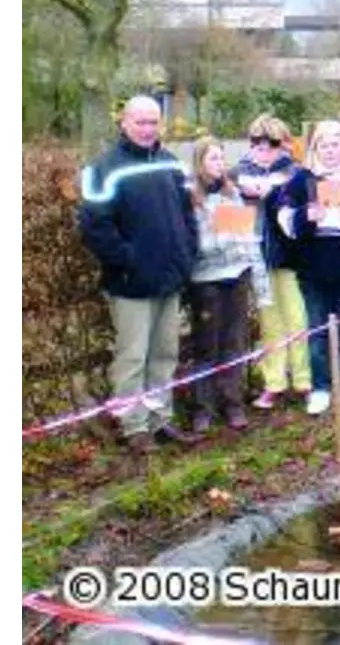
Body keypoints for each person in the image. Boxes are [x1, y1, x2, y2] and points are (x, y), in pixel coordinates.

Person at [77, 95, 199, 453]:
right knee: (132, 356)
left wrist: (185, 255)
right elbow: (95, 227)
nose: (147, 129)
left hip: (169, 278)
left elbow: (187, 217)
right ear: (124, 122)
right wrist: (128, 259)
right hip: (130, 283)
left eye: (153, 122)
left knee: (164, 353)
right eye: (140, 122)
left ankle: (160, 420)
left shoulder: (171, 164)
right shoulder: (105, 168)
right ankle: (135, 427)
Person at [277, 121, 340, 415]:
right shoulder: (301, 180)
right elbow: (284, 219)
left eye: (335, 145)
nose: (330, 151)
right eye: (324, 145)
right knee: (317, 328)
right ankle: (320, 387)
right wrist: (305, 216)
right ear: (315, 148)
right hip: (312, 264)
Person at [184, 136, 273, 433]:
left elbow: (245, 241)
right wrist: (220, 237)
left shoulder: (232, 194)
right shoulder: (189, 197)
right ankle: (202, 409)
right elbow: (194, 242)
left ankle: (232, 403)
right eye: (212, 159)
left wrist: (260, 286)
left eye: (222, 159)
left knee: (233, 344)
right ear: (199, 162)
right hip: (205, 280)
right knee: (206, 347)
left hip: (236, 276)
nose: (219, 165)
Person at [234, 114, 310, 410]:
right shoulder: (236, 173)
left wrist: (276, 193)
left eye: (272, 142)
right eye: (257, 142)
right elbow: (223, 215)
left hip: (290, 257)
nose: (264, 148)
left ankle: (303, 381)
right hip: (256, 257)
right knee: (269, 324)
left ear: (283, 144)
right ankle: (274, 383)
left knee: (298, 318)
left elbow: (305, 213)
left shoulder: (296, 172)